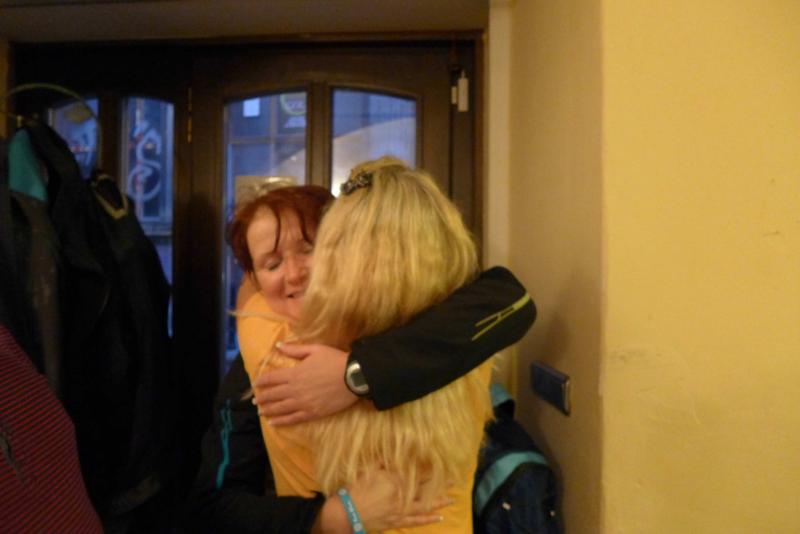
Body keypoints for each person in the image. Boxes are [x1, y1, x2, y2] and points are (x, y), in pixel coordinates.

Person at [186, 178, 536, 532]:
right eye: (272, 264)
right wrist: (331, 517)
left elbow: (507, 299)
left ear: (350, 247)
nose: (294, 274)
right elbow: (216, 503)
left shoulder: (432, 319)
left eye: (309, 248)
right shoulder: (261, 351)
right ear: (256, 279)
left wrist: (355, 375)